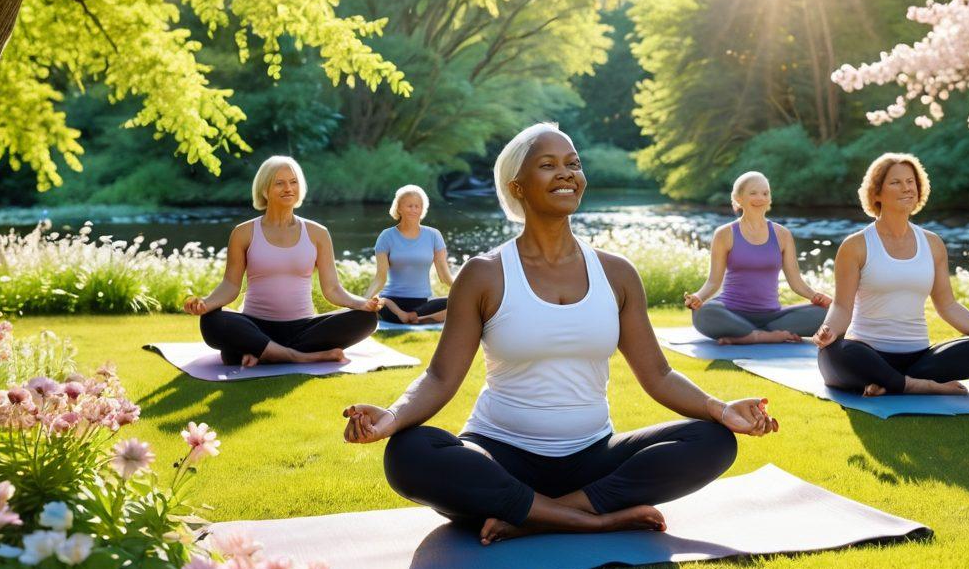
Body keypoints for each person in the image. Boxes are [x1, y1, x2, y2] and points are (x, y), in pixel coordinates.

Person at [342, 122, 777, 545]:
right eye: (548, 165)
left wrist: (721, 410)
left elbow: (659, 375)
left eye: (573, 162)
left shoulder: (617, 273)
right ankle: (590, 521)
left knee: (712, 440)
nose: (567, 172)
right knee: (408, 452)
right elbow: (440, 378)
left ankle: (535, 516)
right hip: (499, 456)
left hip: (592, 459)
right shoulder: (484, 274)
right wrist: (393, 418)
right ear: (517, 187)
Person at [812, 153, 969, 396]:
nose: (906, 188)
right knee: (836, 353)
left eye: (911, 182)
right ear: (876, 193)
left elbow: (948, 305)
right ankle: (916, 385)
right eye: (896, 182)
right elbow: (841, 306)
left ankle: (889, 382)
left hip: (919, 358)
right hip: (867, 352)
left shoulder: (932, 244)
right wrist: (828, 331)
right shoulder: (856, 245)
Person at [184, 156, 381, 366]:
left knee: (366, 319)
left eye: (293, 182)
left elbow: (332, 289)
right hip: (255, 325)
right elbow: (231, 285)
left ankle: (259, 351)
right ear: (264, 190)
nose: (288, 188)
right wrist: (207, 304)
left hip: (304, 328)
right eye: (279, 183)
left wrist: (363, 303)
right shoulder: (243, 233)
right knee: (213, 321)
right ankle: (299, 356)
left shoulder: (318, 233)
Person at [684, 172, 830, 344]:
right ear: (738, 199)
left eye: (765, 193)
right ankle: (764, 336)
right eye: (753, 193)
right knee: (703, 313)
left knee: (830, 313)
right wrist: (698, 297)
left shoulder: (782, 235)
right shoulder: (725, 234)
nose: (760, 198)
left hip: (773, 316)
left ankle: (744, 335)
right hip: (731, 312)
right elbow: (713, 282)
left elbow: (796, 281)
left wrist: (816, 296)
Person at [365, 184, 454, 325]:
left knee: (456, 302)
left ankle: (414, 317)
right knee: (380, 302)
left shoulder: (434, 235)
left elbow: (444, 276)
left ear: (422, 209)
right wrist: (363, 301)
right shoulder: (386, 236)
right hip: (391, 302)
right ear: (399, 208)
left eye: (417, 206)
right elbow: (380, 277)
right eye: (409, 206)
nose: (414, 210)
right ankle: (413, 318)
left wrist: (466, 292)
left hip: (422, 303)